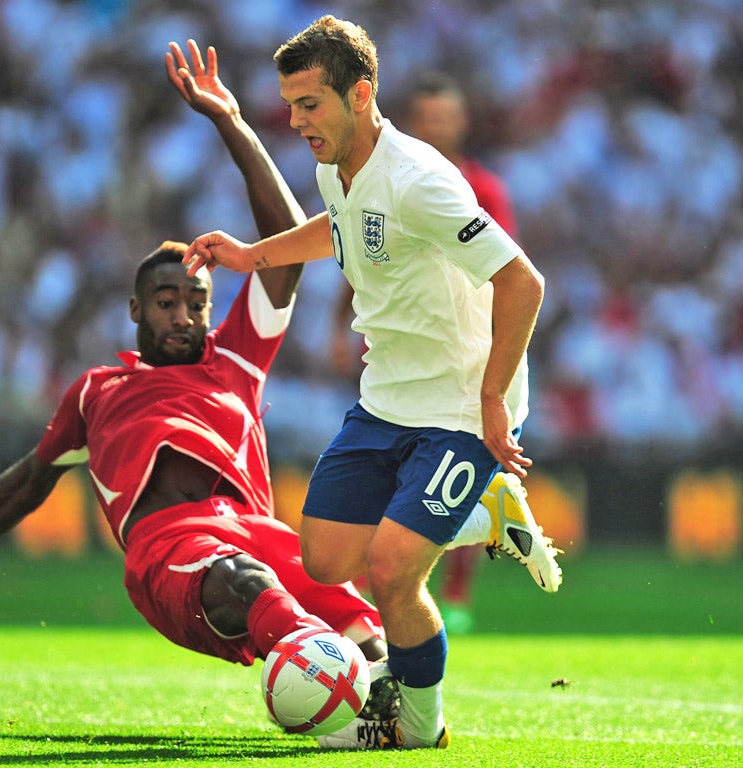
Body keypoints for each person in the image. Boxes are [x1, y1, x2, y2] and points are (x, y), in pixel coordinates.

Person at [0, 42, 538, 738]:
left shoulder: (237, 357)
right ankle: (340, 681)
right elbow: (28, 481)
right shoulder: (100, 391)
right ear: (135, 310)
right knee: (254, 586)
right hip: (170, 547)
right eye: (165, 301)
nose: (183, 314)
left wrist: (232, 124)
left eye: (195, 301)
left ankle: (400, 716)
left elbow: (281, 238)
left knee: (354, 606)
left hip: (255, 529)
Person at [182, 16, 560, 750]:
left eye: (309, 105)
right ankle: (485, 518)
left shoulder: (420, 182)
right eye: (290, 106)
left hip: (458, 405)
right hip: (386, 396)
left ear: (360, 96)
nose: (296, 122)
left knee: (391, 572)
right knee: (324, 562)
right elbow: (340, 226)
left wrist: (491, 403)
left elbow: (524, 280)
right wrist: (252, 254)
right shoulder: (336, 166)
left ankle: (417, 726)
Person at [330, 71, 521, 635]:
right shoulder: (381, 179)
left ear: (460, 123)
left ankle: (454, 593)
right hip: (402, 353)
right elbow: (368, 254)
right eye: (427, 119)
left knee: (444, 473)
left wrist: (491, 380)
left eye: (445, 118)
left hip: (459, 358)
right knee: (409, 479)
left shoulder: (475, 188)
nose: (436, 129)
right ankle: (439, 553)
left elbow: (507, 274)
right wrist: (338, 325)